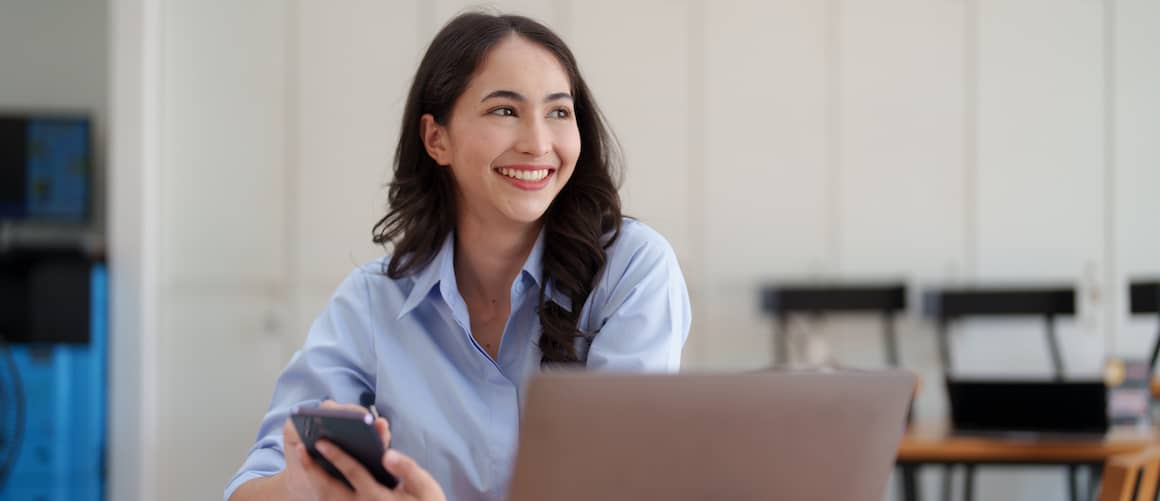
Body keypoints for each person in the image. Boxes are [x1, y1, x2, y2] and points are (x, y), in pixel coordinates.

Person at [225, 11, 691, 501]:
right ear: (436, 138)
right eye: (504, 111)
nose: (538, 144)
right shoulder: (372, 301)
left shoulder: (633, 270)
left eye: (558, 111)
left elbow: (625, 483)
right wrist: (307, 487)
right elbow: (253, 485)